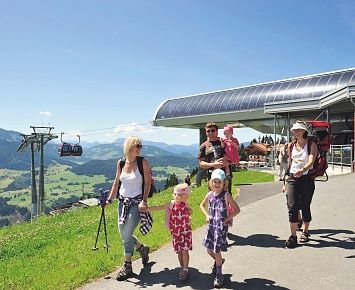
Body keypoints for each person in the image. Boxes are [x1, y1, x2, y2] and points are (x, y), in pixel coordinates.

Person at [107, 136, 152, 281]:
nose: (139, 148)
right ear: (129, 147)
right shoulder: (120, 163)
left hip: (136, 203)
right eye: (137, 146)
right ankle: (142, 248)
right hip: (122, 203)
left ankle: (127, 265)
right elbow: (116, 183)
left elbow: (147, 184)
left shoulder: (142, 162)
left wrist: (144, 201)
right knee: (124, 234)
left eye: (140, 146)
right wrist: (109, 199)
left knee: (126, 234)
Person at [199, 169, 240, 288]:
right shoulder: (210, 194)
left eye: (219, 182)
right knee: (209, 250)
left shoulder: (226, 195)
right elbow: (201, 205)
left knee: (216, 251)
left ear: (224, 183)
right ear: (211, 182)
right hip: (211, 226)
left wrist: (227, 219)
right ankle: (219, 261)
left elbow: (237, 210)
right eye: (214, 181)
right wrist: (206, 215)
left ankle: (219, 274)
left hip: (220, 228)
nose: (217, 184)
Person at [144, 183, 192, 282]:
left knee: (185, 250)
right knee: (179, 251)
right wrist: (147, 209)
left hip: (186, 232)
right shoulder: (171, 204)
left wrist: (189, 210)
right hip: (176, 233)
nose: (188, 197)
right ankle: (182, 267)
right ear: (180, 195)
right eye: (187, 195)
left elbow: (190, 211)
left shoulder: (185, 205)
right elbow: (159, 207)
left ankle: (185, 269)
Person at [284, 121, 317, 249]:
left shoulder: (311, 144)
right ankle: (293, 236)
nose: (295, 132)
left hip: (306, 179)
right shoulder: (291, 145)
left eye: (298, 130)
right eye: (294, 130)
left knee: (305, 205)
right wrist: (286, 178)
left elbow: (311, 160)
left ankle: (305, 232)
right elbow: (289, 163)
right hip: (293, 178)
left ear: (304, 131)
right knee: (292, 206)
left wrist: (303, 170)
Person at [197, 122, 230, 192]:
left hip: (225, 175)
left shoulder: (225, 142)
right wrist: (213, 164)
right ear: (206, 133)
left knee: (226, 197)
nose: (210, 132)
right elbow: (201, 164)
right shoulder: (203, 146)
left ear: (217, 131)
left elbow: (233, 155)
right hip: (211, 176)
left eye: (213, 130)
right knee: (212, 197)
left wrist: (228, 162)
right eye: (208, 131)